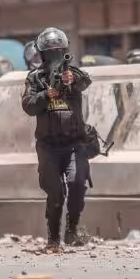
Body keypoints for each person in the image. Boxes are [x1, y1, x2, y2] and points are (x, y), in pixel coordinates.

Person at [21, 27, 92, 252]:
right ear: (41, 54)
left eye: (58, 53)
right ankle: (53, 240)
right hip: (48, 146)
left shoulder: (72, 73)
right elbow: (29, 106)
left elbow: (85, 81)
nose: (54, 58)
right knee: (55, 192)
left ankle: (72, 229)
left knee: (77, 183)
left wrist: (72, 78)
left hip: (74, 144)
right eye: (50, 53)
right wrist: (46, 95)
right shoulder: (34, 78)